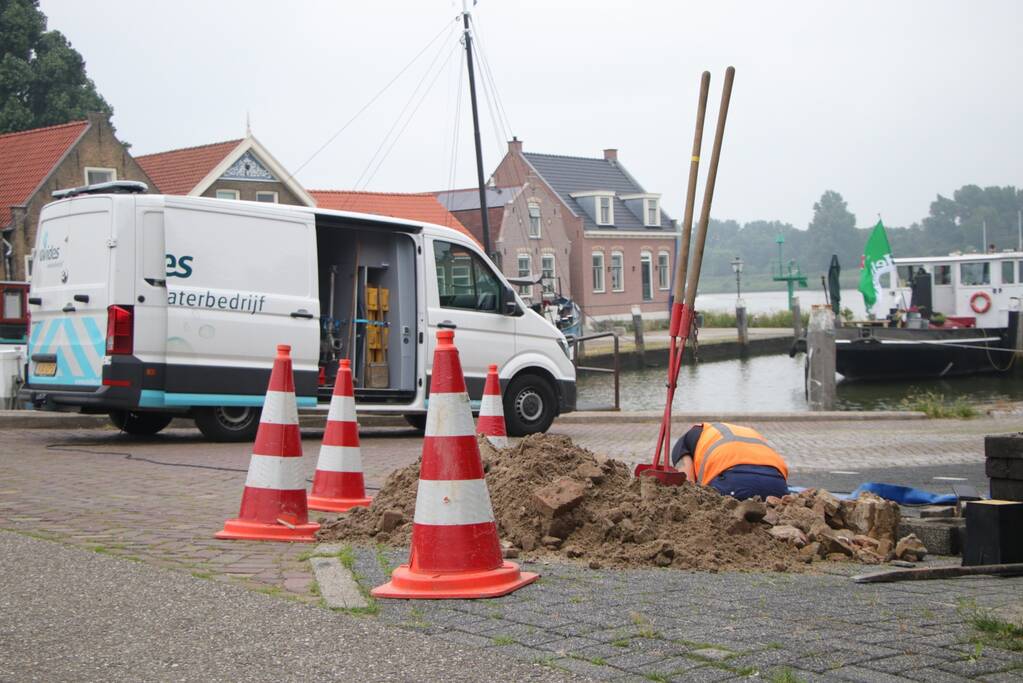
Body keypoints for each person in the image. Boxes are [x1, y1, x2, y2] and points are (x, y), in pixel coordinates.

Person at [671, 422, 789, 500]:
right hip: (777, 484)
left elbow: (688, 486)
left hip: (733, 482)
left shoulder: (683, 443)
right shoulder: (744, 431)